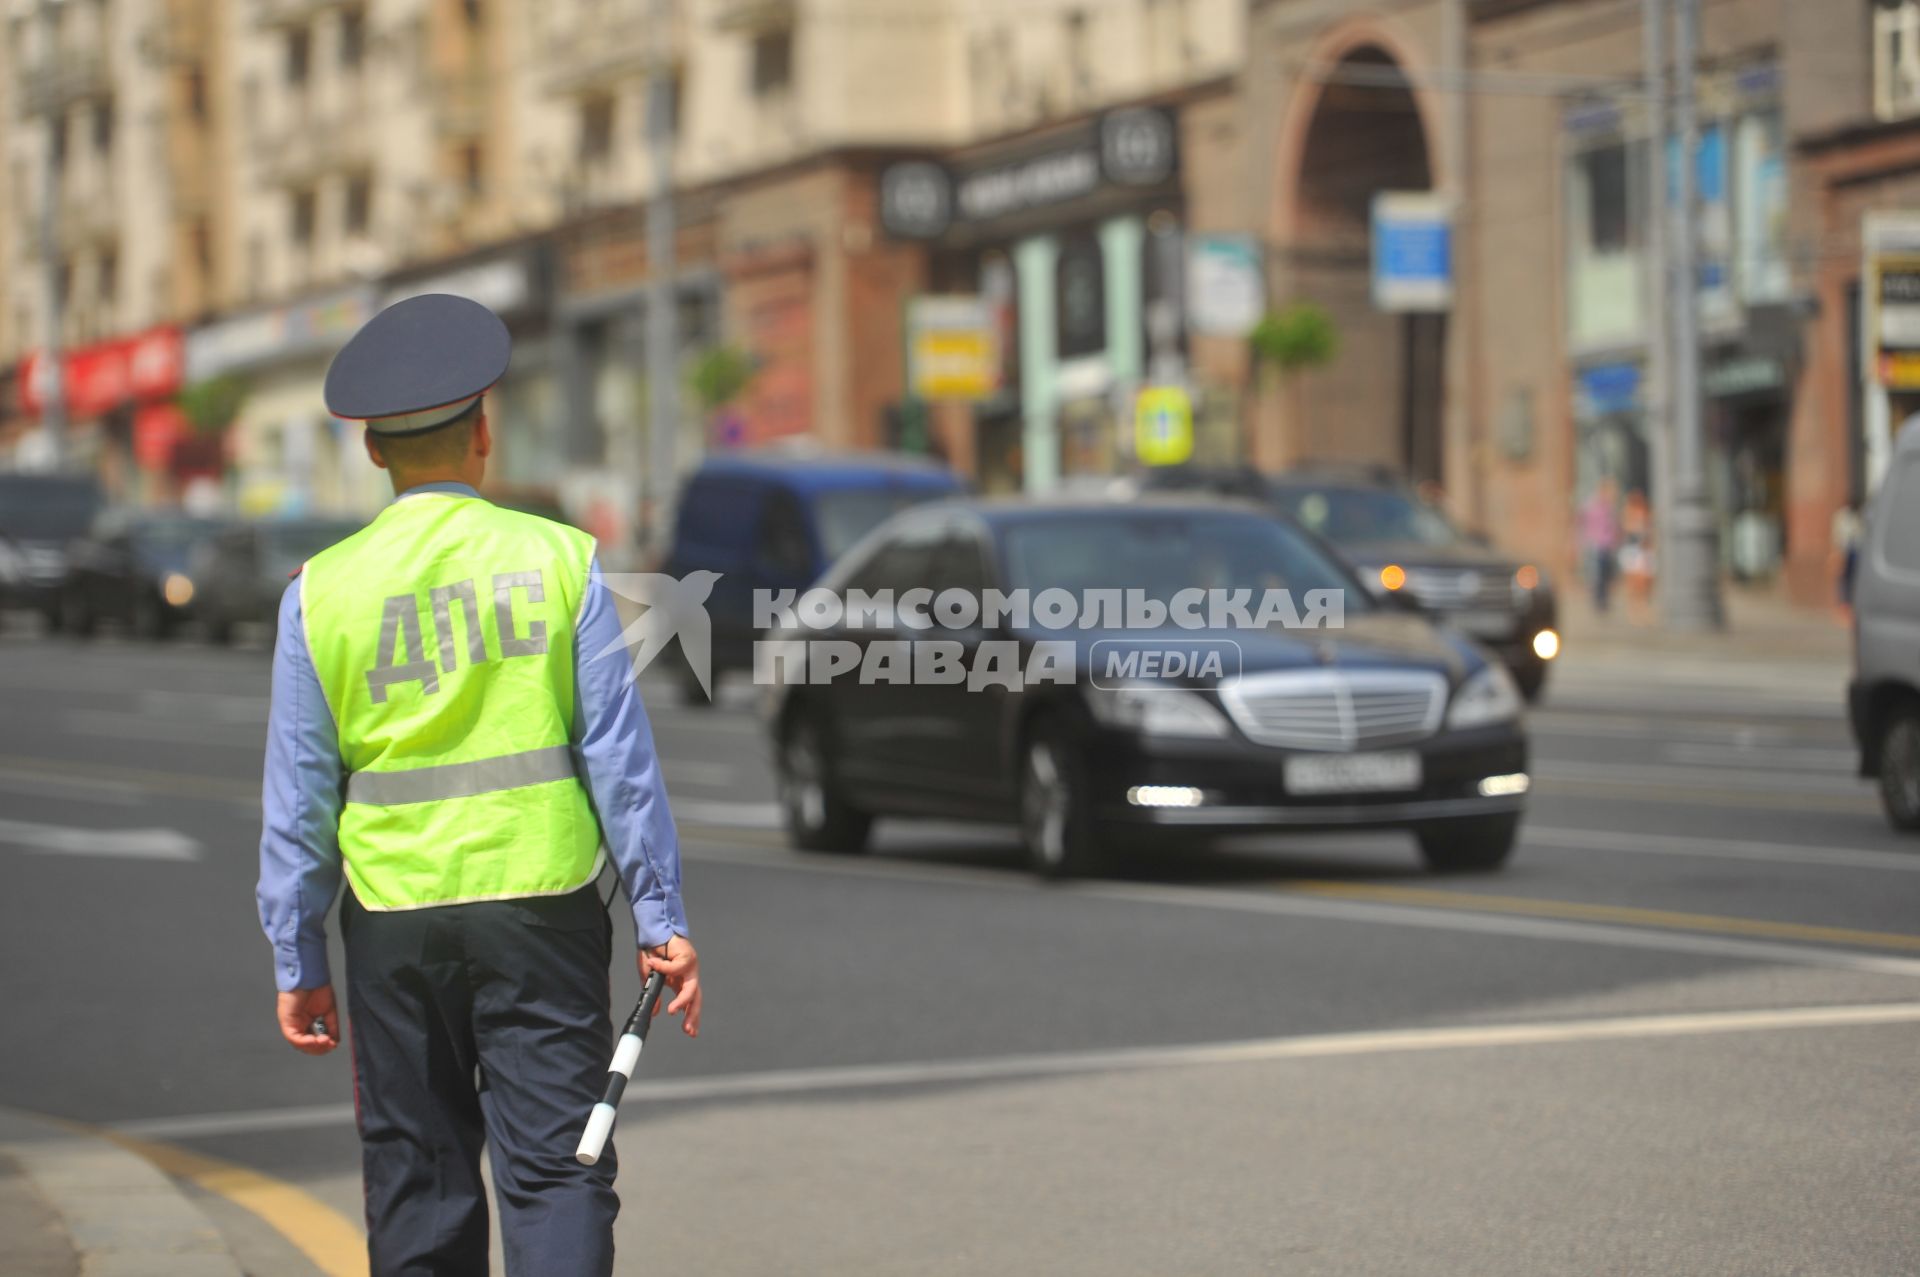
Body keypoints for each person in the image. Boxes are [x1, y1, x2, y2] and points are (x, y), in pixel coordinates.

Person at [256, 294, 701, 1277]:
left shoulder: (318, 591)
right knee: (559, 1169)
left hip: (393, 916)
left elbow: (298, 803)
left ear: (373, 451)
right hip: (542, 906)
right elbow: (619, 761)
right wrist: (661, 918)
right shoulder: (558, 560)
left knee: (419, 1174)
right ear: (483, 434)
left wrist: (298, 953)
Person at [1578, 476, 1622, 614]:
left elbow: (1612, 526)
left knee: (1606, 573)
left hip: (1607, 544)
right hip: (1596, 544)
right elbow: (1584, 523)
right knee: (1598, 573)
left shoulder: (1609, 507)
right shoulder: (1592, 505)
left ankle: (1603, 599)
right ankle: (1599, 601)